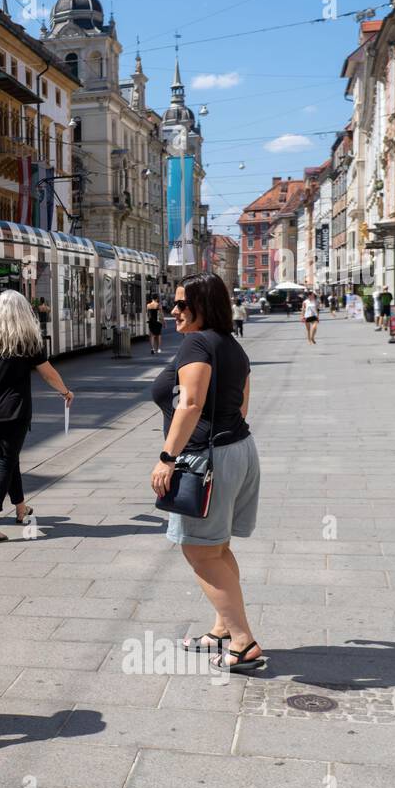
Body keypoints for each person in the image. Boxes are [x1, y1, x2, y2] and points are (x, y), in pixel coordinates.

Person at [150, 274, 265, 674]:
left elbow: (192, 402)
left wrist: (168, 456)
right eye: (174, 303)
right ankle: (221, 629)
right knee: (217, 546)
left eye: (182, 304)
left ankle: (243, 641)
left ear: (204, 306)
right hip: (239, 450)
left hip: (208, 458)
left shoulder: (197, 343)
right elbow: (244, 404)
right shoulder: (232, 345)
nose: (173, 310)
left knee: (199, 551)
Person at [0, 291, 73, 543]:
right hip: (15, 410)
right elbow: (47, 373)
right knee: (5, 459)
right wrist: (65, 391)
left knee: (10, 458)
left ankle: (21, 510)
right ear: (24, 311)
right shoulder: (28, 337)